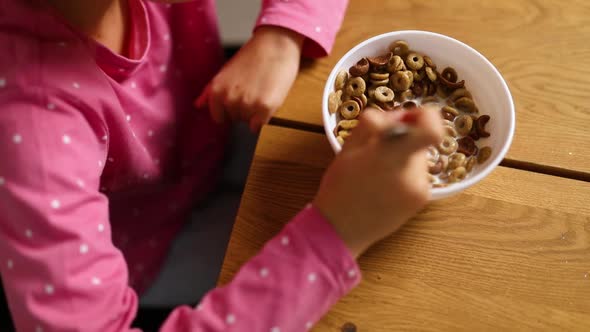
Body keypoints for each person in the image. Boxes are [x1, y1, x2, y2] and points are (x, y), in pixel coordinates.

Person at [0, 0, 443, 330]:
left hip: (205, 144)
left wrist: (282, 35)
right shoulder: (32, 123)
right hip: (149, 245)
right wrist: (337, 231)